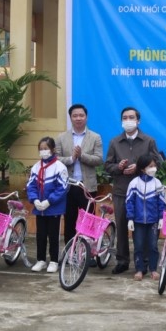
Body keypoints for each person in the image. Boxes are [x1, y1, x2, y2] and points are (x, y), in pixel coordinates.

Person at [105, 107, 162, 275]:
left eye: (131, 117)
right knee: (122, 226)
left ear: (138, 121)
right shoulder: (115, 142)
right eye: (125, 118)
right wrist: (119, 167)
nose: (128, 120)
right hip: (121, 191)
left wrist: (139, 167)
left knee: (145, 227)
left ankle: (145, 262)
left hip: (145, 194)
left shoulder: (148, 141)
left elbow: (158, 163)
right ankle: (122, 260)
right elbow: (107, 166)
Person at [56, 104, 103, 246]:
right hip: (68, 186)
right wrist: (71, 159)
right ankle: (69, 251)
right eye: (75, 115)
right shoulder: (61, 137)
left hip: (87, 186)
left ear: (86, 117)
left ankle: (89, 251)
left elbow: (98, 159)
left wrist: (82, 156)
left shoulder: (95, 137)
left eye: (81, 115)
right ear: (70, 118)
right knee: (69, 220)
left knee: (89, 220)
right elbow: (56, 159)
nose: (78, 118)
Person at [26, 137, 69, 273]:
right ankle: (41, 260)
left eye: (46, 148)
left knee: (53, 235)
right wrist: (35, 200)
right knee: (41, 235)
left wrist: (49, 201)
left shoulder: (60, 167)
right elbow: (31, 185)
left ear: (53, 149)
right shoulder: (36, 167)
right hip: (40, 209)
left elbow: (62, 188)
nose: (43, 151)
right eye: (41, 149)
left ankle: (54, 261)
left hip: (54, 208)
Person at [125, 154, 166, 281]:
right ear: (143, 168)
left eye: (154, 166)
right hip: (138, 222)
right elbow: (129, 202)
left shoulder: (157, 183)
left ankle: (153, 269)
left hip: (153, 221)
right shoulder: (134, 183)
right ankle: (139, 270)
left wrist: (161, 218)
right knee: (138, 246)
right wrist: (130, 218)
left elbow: (162, 202)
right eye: (150, 166)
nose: (153, 168)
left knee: (153, 246)